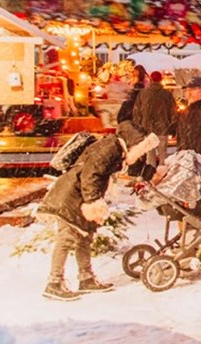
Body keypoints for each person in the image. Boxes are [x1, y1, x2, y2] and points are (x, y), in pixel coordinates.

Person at [37, 122, 161, 300]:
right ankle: (54, 283)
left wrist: (150, 173)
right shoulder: (108, 149)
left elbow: (125, 165)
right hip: (71, 198)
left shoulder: (116, 148)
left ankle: (86, 279)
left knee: (85, 237)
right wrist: (93, 203)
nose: (140, 153)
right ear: (132, 143)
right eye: (140, 149)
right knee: (66, 238)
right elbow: (90, 176)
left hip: (81, 196)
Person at [131, 71, 176, 165]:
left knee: (150, 157)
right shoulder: (166, 94)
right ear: (161, 80)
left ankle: (151, 176)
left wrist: (139, 127)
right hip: (163, 128)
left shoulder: (143, 93)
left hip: (147, 129)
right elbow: (173, 111)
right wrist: (172, 127)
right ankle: (162, 175)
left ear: (150, 79)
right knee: (163, 157)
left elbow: (137, 112)